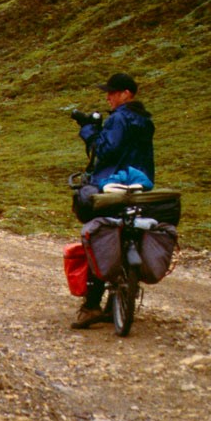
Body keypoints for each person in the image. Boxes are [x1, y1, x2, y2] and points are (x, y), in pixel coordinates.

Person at [71, 72, 156, 329]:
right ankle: (116, 303)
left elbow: (106, 151)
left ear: (126, 94)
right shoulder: (144, 120)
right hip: (140, 185)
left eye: (112, 92)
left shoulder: (119, 119)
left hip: (112, 186)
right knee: (131, 234)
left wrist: (90, 130)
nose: (108, 97)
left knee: (101, 238)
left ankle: (91, 306)